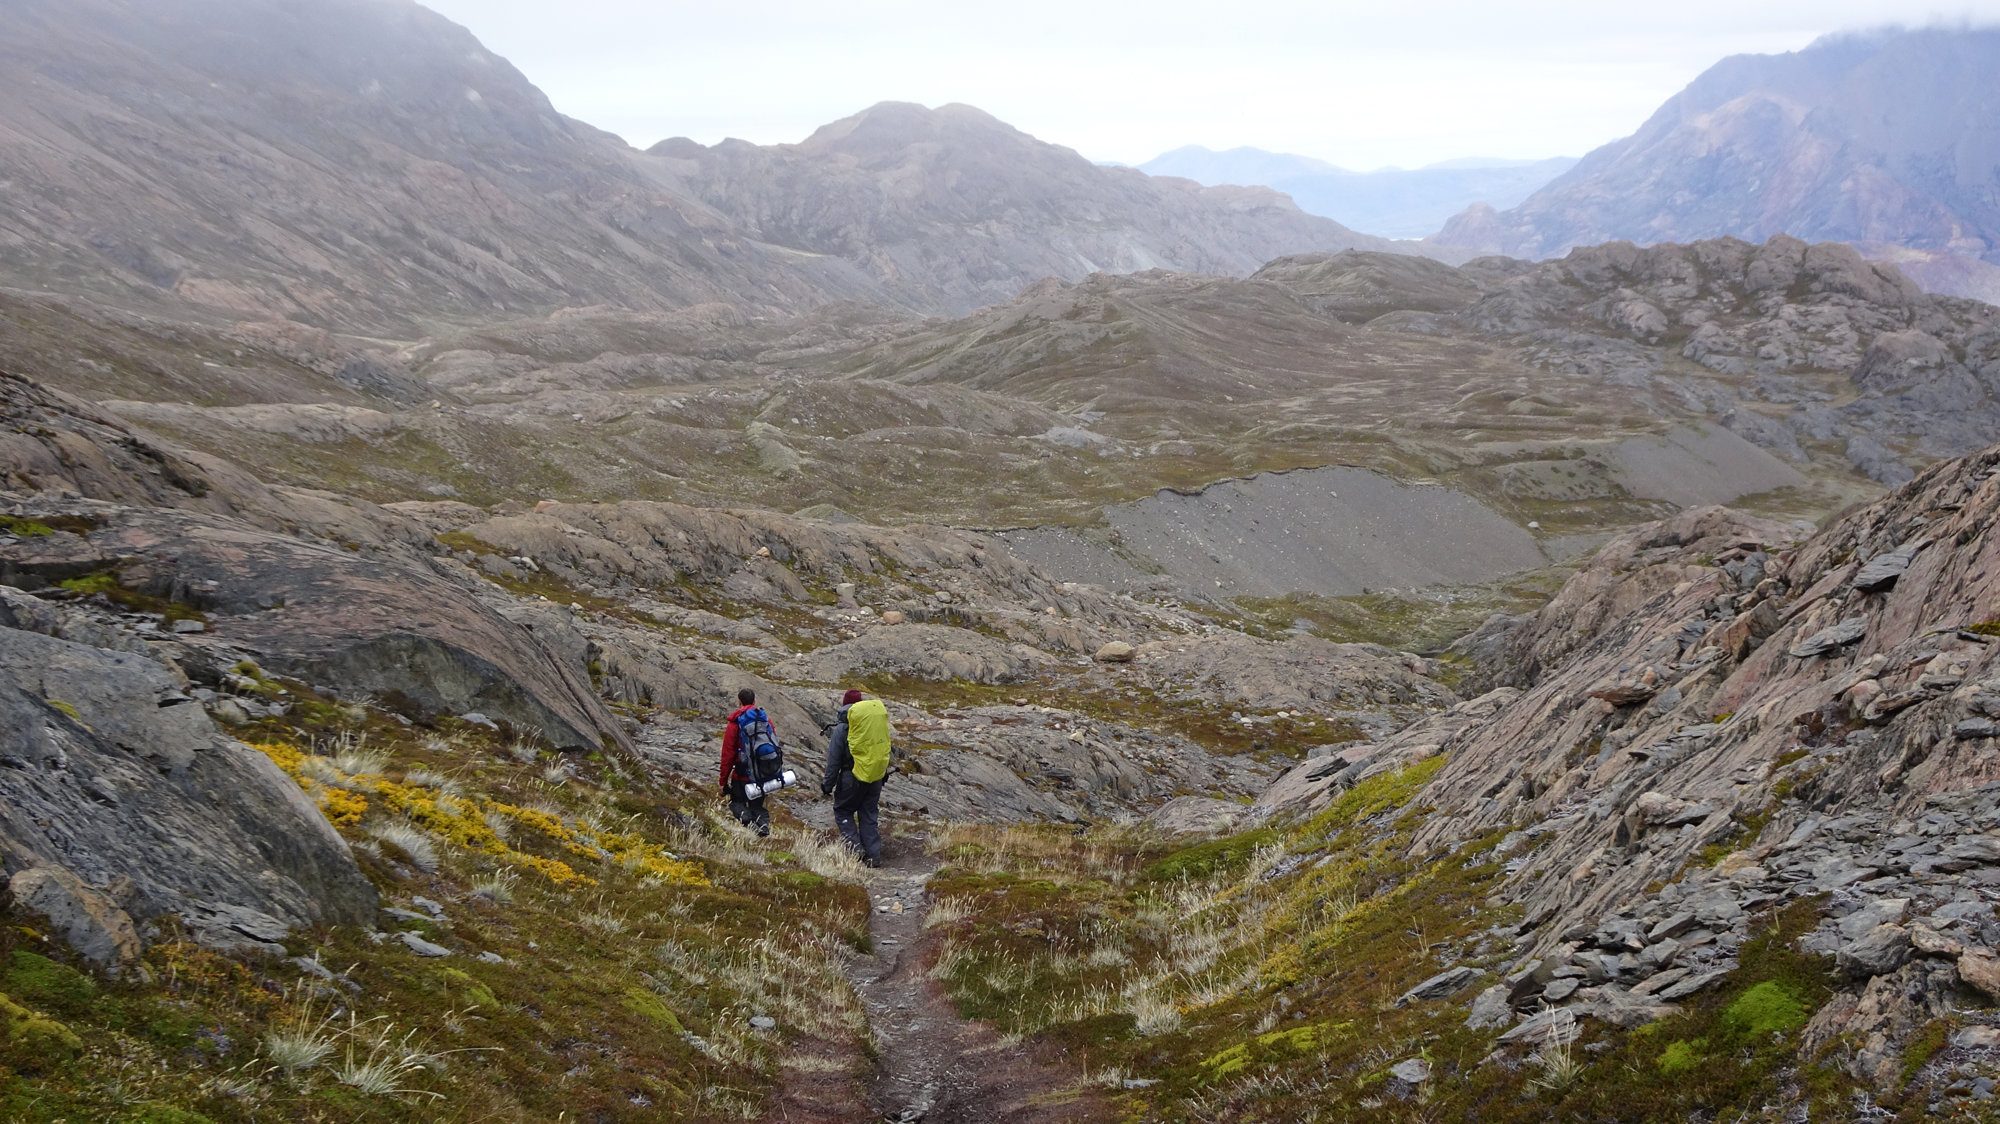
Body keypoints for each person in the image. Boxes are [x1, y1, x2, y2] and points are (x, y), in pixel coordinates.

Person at [821, 688, 892, 867]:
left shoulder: (842, 729)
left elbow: (833, 762)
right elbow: (881, 748)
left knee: (843, 811)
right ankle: (873, 857)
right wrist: (881, 774)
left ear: (845, 705)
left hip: (850, 778)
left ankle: (856, 849)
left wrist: (827, 786)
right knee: (868, 814)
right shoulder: (873, 725)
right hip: (875, 777)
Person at [718, 687, 772, 837]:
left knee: (737, 803)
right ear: (754, 701)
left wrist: (723, 781)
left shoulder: (735, 724)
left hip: (741, 775)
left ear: (739, 702)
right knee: (757, 805)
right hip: (763, 774)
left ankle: (750, 828)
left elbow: (727, 754)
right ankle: (763, 830)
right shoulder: (765, 720)